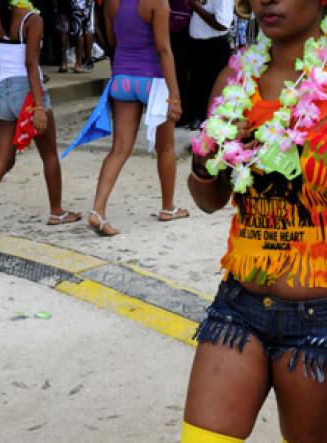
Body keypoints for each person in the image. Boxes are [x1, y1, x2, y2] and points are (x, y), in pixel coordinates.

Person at [182, 0, 327, 442]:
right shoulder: (233, 81)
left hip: (318, 323)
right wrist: (206, 162)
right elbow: (209, 200)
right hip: (237, 308)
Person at [0, 0, 80, 238]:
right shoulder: (32, 19)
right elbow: (31, 63)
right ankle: (57, 211)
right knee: (49, 155)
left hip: (1, 91)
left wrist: (0, 84)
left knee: (2, 161)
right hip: (27, 92)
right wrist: (38, 105)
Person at [87, 0, 188, 236]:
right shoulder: (158, 3)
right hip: (153, 80)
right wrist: (175, 95)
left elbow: (112, 41)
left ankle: (98, 210)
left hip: (122, 79)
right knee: (165, 148)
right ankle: (168, 207)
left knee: (119, 149)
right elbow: (163, 49)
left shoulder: (111, 3)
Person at [186, 0, 234, 130]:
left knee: (211, 86)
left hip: (214, 46)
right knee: (196, 84)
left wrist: (196, 7)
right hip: (197, 45)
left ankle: (208, 121)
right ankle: (196, 117)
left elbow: (222, 24)